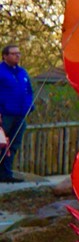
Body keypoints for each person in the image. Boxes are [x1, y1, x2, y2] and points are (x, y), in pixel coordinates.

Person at [0, 45, 32, 182]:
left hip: (20, 115)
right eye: (13, 54)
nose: (17, 56)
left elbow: (29, 91)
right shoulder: (1, 72)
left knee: (14, 144)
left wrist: (30, 106)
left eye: (19, 53)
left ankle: (6, 173)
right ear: (5, 56)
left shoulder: (22, 73)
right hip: (5, 114)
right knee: (1, 143)